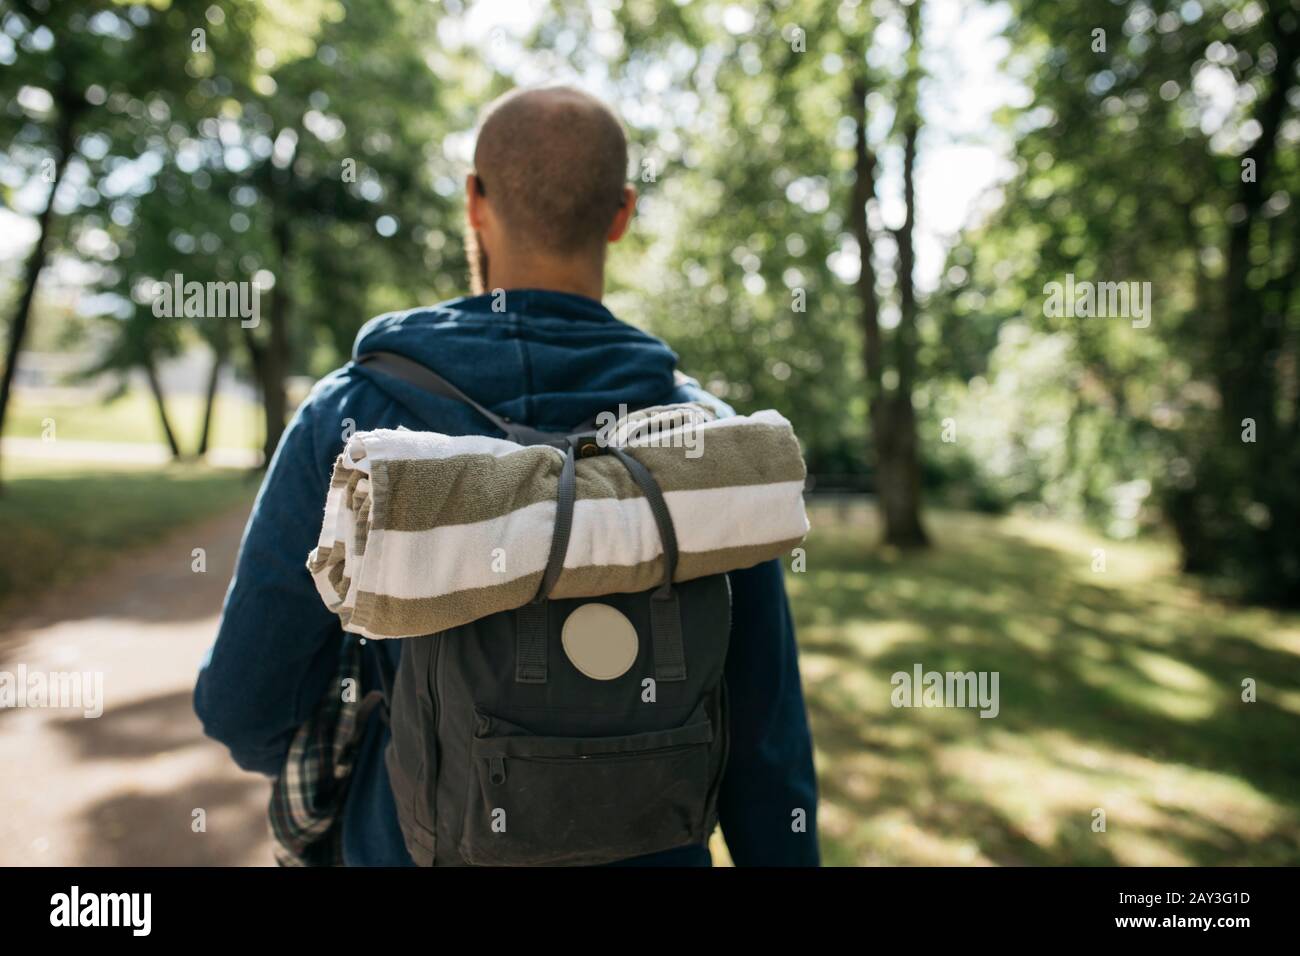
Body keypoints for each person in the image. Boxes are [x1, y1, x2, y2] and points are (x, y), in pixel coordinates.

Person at [194, 85, 819, 866]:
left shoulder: (352, 417)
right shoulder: (712, 446)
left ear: (474, 203)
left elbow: (244, 702)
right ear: (621, 214)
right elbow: (767, 748)